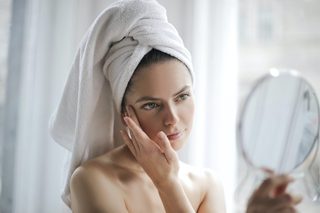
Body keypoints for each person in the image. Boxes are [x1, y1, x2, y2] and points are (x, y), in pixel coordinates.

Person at [49, 0, 301, 212]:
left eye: (181, 97)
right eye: (151, 105)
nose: (172, 118)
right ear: (125, 113)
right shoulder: (93, 179)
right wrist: (166, 184)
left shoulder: (207, 184)